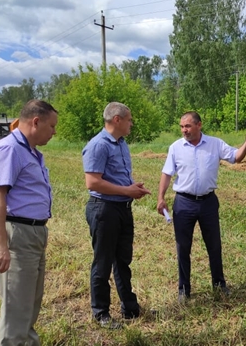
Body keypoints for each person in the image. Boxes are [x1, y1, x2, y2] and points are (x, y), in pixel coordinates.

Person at [157, 111, 246, 303]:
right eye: (181, 126)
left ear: (199, 125)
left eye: (187, 126)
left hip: (208, 203)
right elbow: (167, 173)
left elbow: (236, 157)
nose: (184, 130)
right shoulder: (176, 148)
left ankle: (219, 285)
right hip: (184, 203)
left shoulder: (215, 144)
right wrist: (160, 197)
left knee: (214, 246)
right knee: (183, 247)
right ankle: (184, 290)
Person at [0, 99, 58, 345]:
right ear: (36, 121)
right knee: (16, 310)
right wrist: (0, 245)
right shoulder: (10, 149)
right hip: (17, 233)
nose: (54, 132)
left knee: (29, 304)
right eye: (52, 126)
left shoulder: (29, 152)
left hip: (33, 234)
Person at [82, 102, 151, 328]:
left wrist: (132, 187)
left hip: (122, 208)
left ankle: (129, 308)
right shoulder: (98, 145)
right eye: (129, 119)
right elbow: (92, 182)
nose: (132, 123)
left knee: (123, 261)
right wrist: (126, 190)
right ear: (117, 120)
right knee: (102, 263)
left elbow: (115, 177)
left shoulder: (121, 144)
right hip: (104, 209)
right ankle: (101, 312)